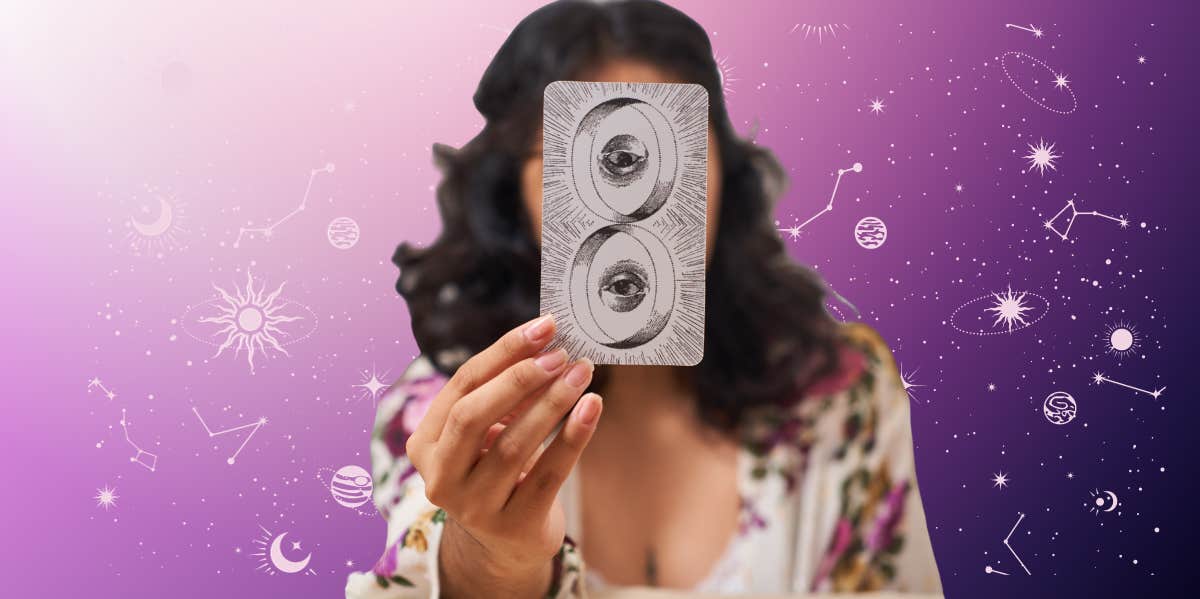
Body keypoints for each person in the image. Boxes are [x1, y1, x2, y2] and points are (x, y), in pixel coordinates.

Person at [346, 1, 942, 596]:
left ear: (722, 174)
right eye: (589, 154)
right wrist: (490, 559)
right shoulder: (448, 411)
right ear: (515, 198)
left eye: (665, 152)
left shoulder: (840, 393)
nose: (631, 201)